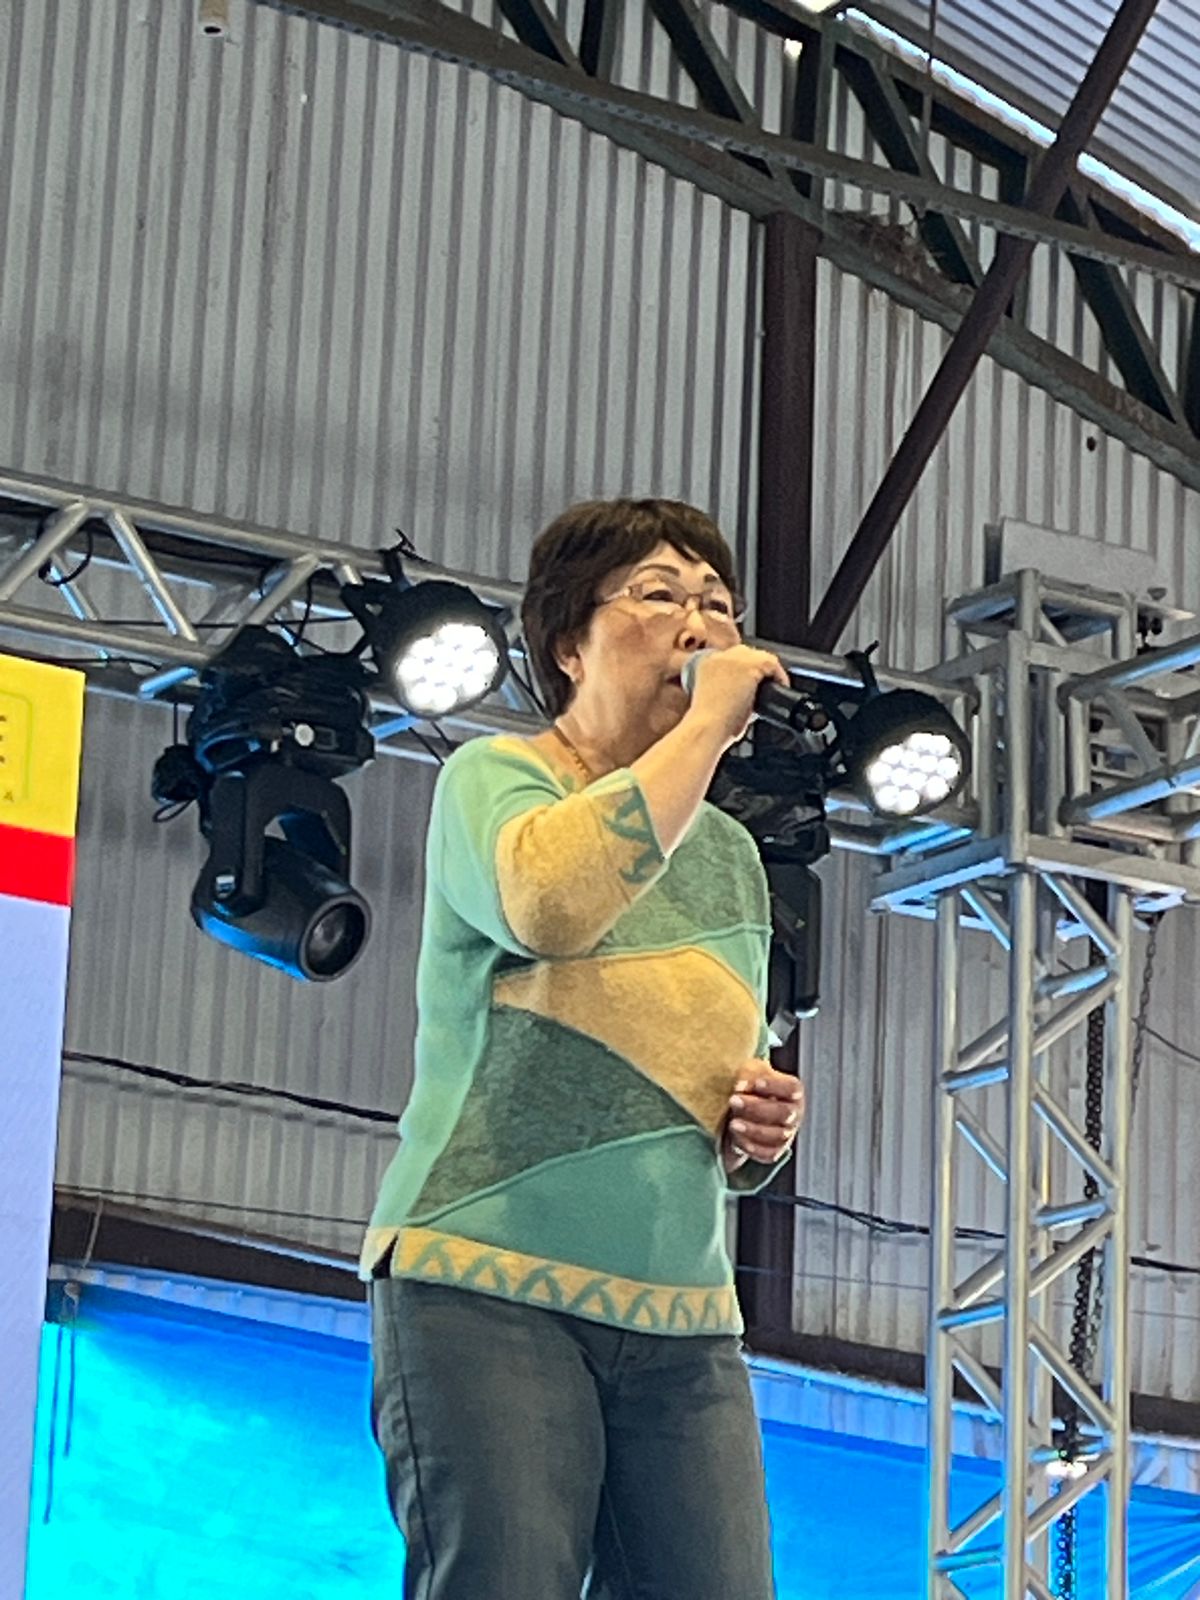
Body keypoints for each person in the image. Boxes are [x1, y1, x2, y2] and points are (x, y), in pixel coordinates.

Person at [364, 498, 807, 1600]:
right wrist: (708, 729)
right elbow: (551, 906)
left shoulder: (733, 857)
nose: (699, 622)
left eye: (717, 602)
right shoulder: (496, 777)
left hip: (684, 1318)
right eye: (658, 594)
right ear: (568, 642)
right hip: (485, 1283)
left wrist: (755, 1133)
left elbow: (707, 1068)